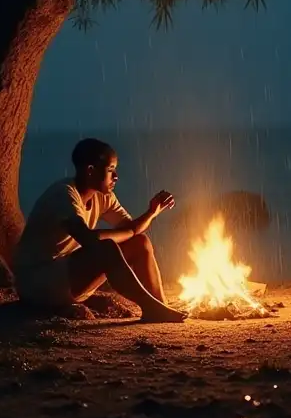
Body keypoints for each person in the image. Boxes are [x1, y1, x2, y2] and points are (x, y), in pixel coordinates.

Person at [13, 137, 187, 323]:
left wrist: (151, 212)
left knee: (140, 242)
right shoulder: (63, 195)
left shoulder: (103, 197)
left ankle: (159, 304)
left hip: (66, 280)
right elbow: (89, 239)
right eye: (111, 170)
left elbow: (132, 230)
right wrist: (131, 231)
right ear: (90, 171)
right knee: (107, 248)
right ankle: (151, 308)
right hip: (38, 283)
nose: (116, 176)